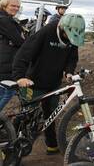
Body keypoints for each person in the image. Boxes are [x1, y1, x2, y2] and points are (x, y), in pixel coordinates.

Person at [12, 14, 85, 154]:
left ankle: (52, 145)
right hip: (32, 82)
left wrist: (69, 71)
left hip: (53, 83)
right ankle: (12, 146)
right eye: (68, 35)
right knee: (25, 117)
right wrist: (20, 77)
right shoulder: (46, 32)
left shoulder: (73, 37)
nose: (70, 40)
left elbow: (72, 58)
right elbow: (23, 54)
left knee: (51, 115)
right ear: (62, 27)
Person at [0, 0, 25, 111]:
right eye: (13, 6)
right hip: (4, 64)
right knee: (8, 91)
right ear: (5, 5)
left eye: (18, 6)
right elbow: (19, 40)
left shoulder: (7, 19)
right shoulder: (4, 20)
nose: (15, 8)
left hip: (6, 63)